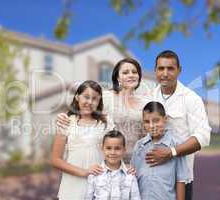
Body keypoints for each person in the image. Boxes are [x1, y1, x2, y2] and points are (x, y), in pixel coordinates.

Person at [145, 50, 211, 200]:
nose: (165, 73)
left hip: (180, 178)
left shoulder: (191, 99)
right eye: (161, 68)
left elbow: (203, 136)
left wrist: (171, 152)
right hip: (152, 177)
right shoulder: (149, 97)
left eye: (170, 68)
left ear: (179, 70)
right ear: (155, 70)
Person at [57, 58, 149, 163]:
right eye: (125, 72)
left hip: (137, 161)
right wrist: (63, 116)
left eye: (134, 72)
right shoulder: (106, 97)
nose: (131, 75)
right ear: (118, 77)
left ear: (139, 76)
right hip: (108, 161)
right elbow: (82, 106)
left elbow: (147, 133)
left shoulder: (145, 103)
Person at [50, 80, 114, 200]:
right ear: (77, 97)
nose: (90, 102)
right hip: (73, 185)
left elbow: (114, 152)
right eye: (86, 97)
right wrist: (84, 172)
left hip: (100, 184)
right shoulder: (66, 122)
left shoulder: (106, 123)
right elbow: (55, 160)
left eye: (95, 99)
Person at [131, 101, 189, 200]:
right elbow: (132, 177)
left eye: (156, 120)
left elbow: (180, 180)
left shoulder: (176, 146)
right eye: (147, 122)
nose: (152, 125)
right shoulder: (139, 146)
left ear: (165, 119)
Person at [85, 130, 141, 200]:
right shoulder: (95, 174)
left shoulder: (130, 175)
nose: (113, 152)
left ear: (124, 150)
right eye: (108, 148)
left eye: (117, 148)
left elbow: (135, 198)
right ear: (102, 149)